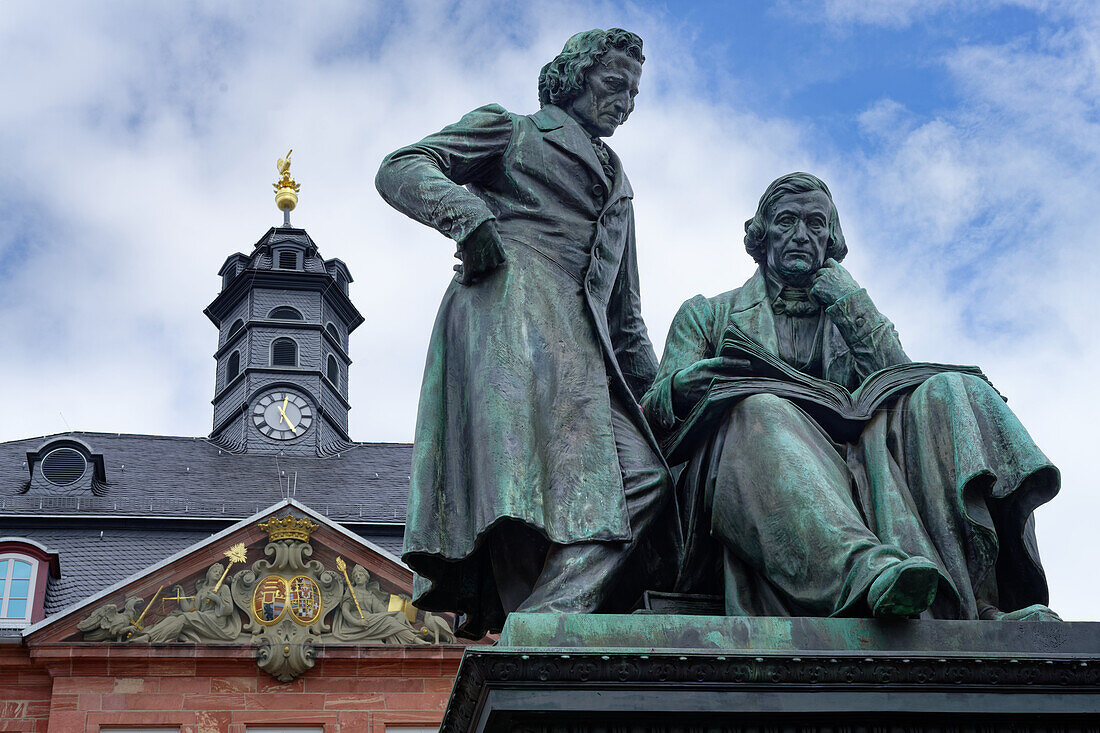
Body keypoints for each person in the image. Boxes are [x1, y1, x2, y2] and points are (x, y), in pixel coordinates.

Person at [642, 172, 1060, 620]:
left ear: (830, 238)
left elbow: (901, 378)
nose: (802, 235)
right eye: (786, 222)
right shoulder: (707, 313)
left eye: (816, 224)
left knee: (947, 393)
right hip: (745, 460)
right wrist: (680, 389)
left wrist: (852, 305)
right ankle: (867, 574)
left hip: (854, 457)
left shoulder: (849, 311)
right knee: (762, 410)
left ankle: (974, 606)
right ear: (762, 237)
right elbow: (651, 411)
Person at [375, 29, 677, 637]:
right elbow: (401, 167)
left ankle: (539, 625)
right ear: (573, 78)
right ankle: (535, 630)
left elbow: (626, 316)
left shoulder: (619, 185)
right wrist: (466, 215)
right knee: (521, 496)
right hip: (510, 317)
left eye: (634, 94)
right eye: (613, 84)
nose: (624, 101)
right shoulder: (511, 130)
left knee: (645, 478)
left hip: (585, 348)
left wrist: (667, 393)